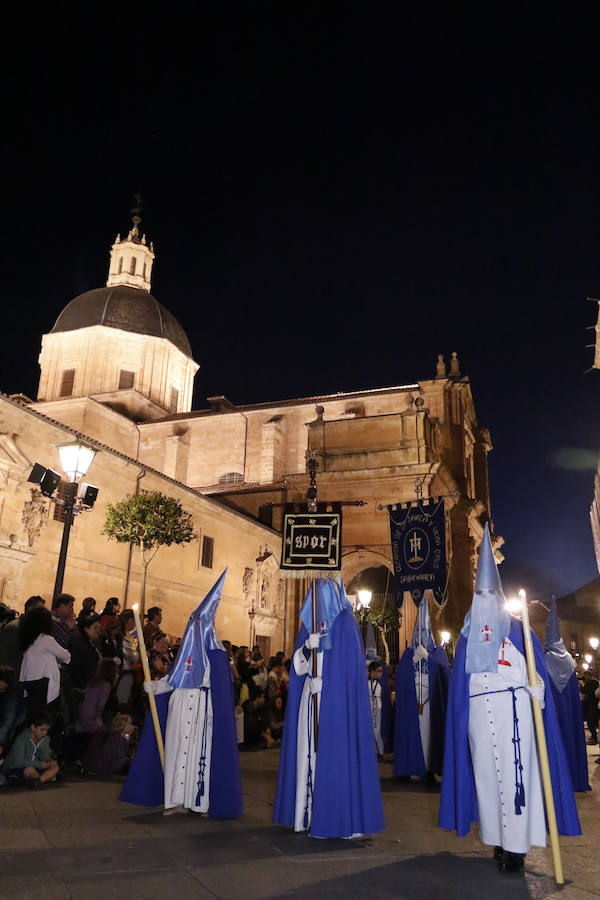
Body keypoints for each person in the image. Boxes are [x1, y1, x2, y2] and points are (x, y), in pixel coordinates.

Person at [439, 524, 581, 873]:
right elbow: (461, 684)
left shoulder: (520, 632)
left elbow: (537, 676)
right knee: (489, 783)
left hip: (514, 718)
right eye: (481, 593)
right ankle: (498, 842)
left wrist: (537, 692)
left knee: (517, 782)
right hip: (479, 720)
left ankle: (516, 848)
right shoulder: (469, 635)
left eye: (491, 593)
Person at [121, 571, 243, 818]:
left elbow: (220, 688)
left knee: (201, 756)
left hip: (202, 709)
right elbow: (174, 678)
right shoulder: (185, 651)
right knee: (176, 752)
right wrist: (155, 687)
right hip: (180, 705)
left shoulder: (217, 656)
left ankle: (201, 802)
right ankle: (176, 800)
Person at [273, 578, 384, 839]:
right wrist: (307, 650)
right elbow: (298, 667)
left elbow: (350, 672)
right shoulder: (308, 623)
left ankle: (339, 818)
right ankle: (309, 814)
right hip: (310, 701)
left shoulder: (345, 623)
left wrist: (328, 683)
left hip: (338, 708)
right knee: (309, 756)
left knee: (334, 757)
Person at [393, 595, 449, 781]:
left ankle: (429, 768)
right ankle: (410, 765)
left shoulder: (437, 652)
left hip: (429, 701)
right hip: (413, 700)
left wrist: (428, 658)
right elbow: (401, 674)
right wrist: (412, 661)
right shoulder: (409, 653)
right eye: (419, 630)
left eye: (424, 630)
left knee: (428, 736)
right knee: (413, 733)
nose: (421, 634)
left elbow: (443, 671)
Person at [544, 598, 590, 791]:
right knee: (570, 736)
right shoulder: (570, 661)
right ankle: (575, 775)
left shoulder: (545, 660)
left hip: (553, 713)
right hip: (570, 713)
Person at [19, 606, 71, 722]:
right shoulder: (45, 638)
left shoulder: (28, 637)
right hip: (43, 681)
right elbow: (65, 655)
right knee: (43, 718)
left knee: (32, 716)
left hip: (29, 679)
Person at [4, 711, 60, 787]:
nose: (45, 733)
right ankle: (44, 778)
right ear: (33, 727)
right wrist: (40, 765)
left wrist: (51, 761)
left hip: (35, 766)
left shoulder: (45, 739)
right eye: (42, 730)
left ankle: (38, 780)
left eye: (47, 730)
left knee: (56, 767)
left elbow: (44, 757)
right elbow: (18, 762)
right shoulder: (22, 739)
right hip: (16, 767)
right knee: (30, 770)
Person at [367, 660, 384, 755]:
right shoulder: (367, 683)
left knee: (377, 730)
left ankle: (380, 751)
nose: (380, 673)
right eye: (378, 671)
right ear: (372, 672)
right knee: (371, 730)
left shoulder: (379, 685)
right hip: (370, 708)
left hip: (377, 708)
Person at [581, 669, 599, 745]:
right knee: (594, 721)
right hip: (595, 705)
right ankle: (594, 736)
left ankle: (594, 737)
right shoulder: (596, 683)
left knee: (590, 721)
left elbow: (585, 693)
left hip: (591, 705)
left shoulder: (589, 684)